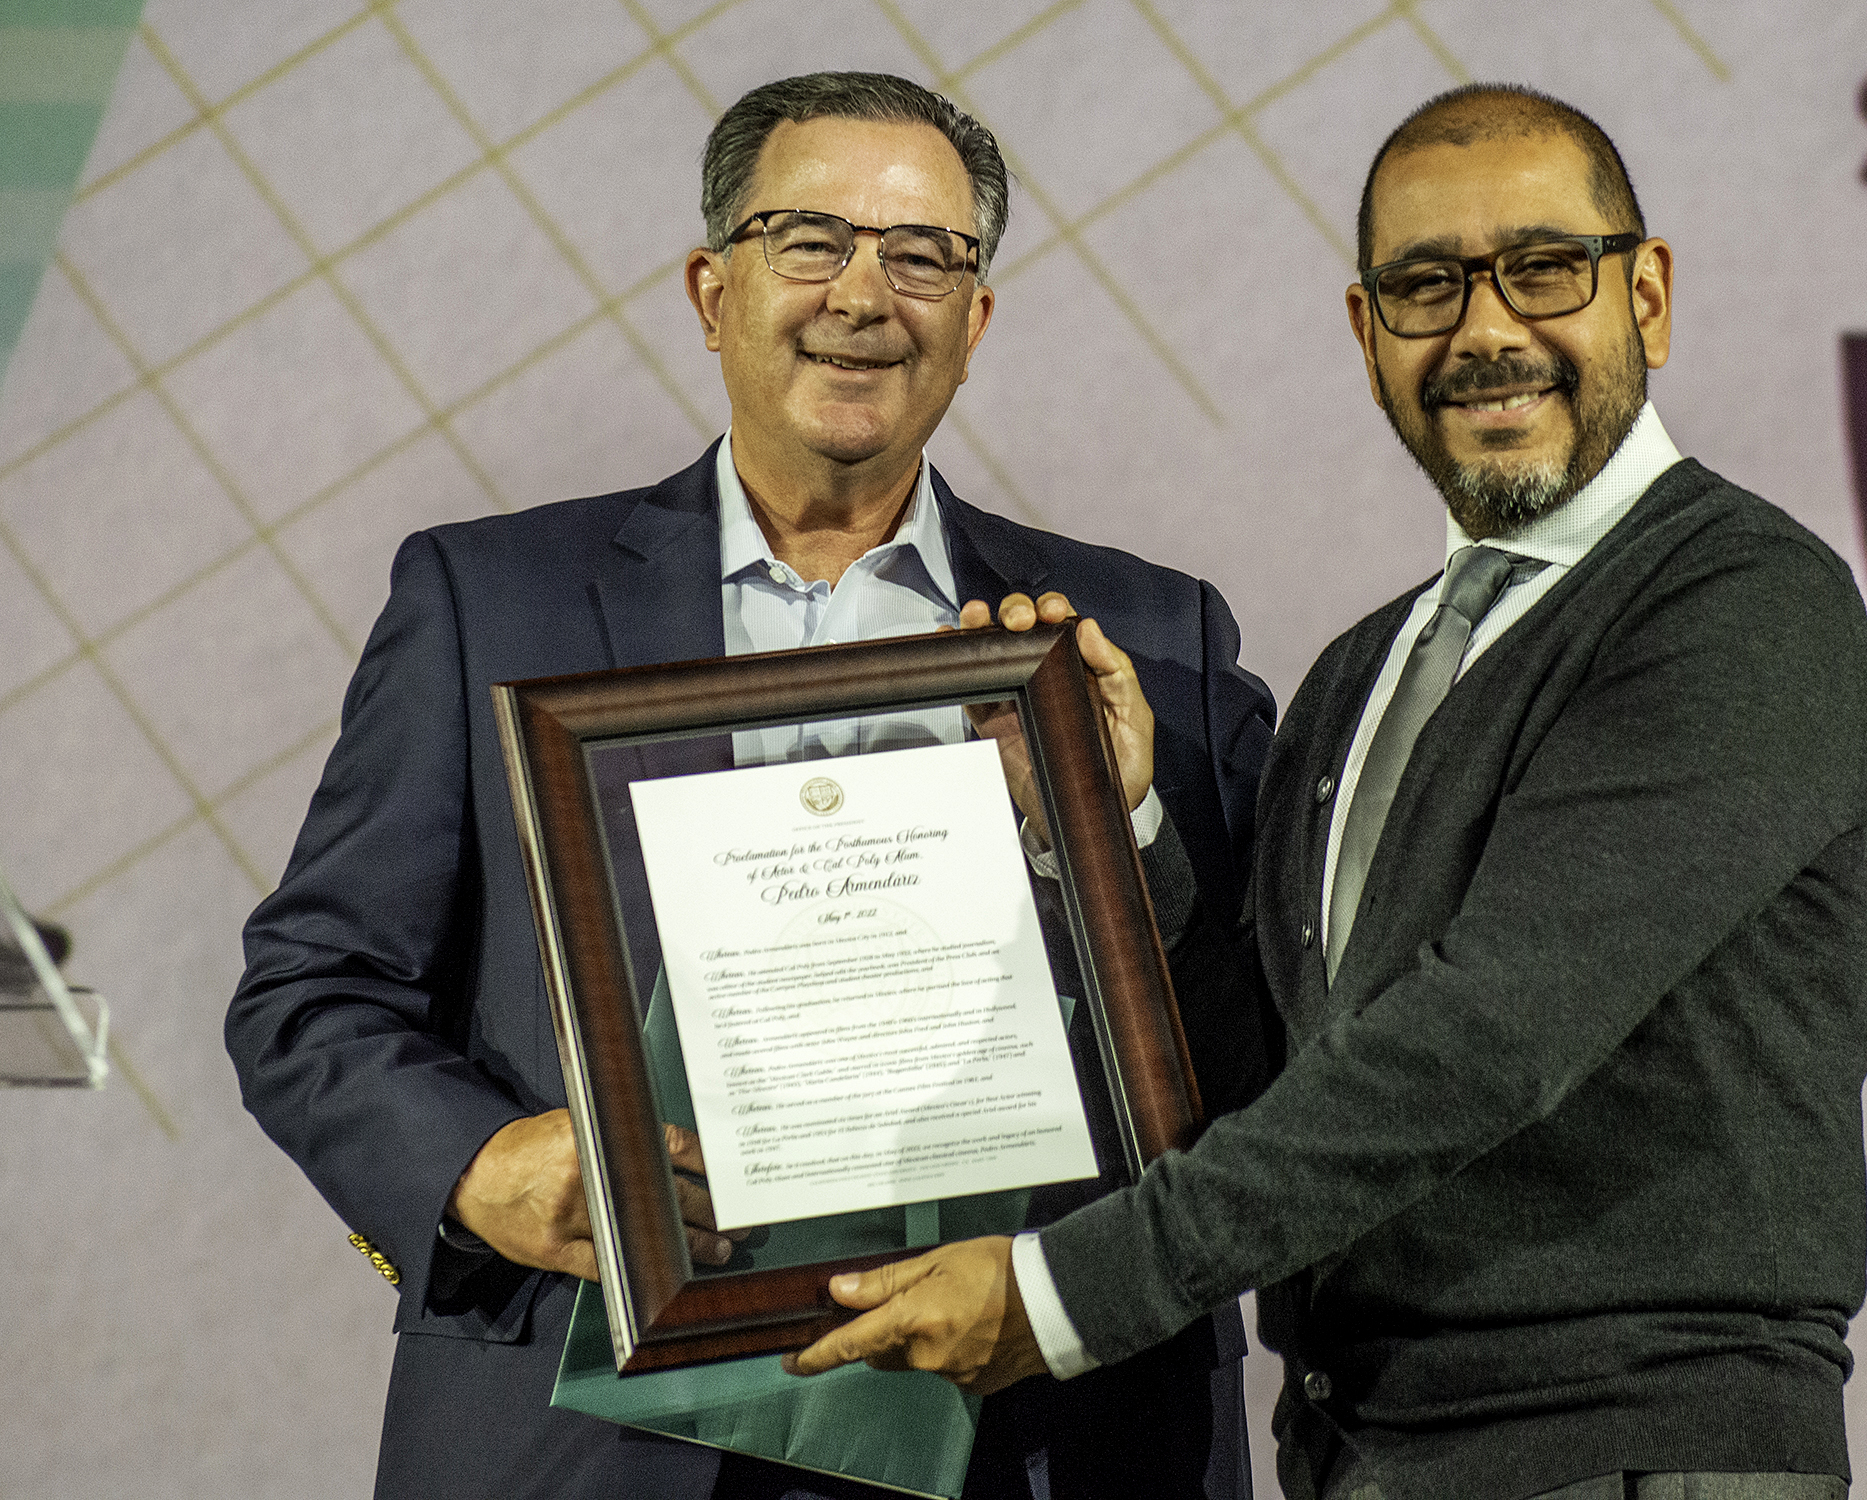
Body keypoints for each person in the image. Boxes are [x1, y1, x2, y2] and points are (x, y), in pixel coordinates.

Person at [787, 83, 1867, 1500]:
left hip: (1632, 1450)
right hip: (1359, 1451)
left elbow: (1483, 1039)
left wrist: (1060, 1294)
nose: (1489, 331)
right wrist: (1113, 824)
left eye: (1544, 269)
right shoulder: (1357, 677)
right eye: (1427, 286)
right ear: (1368, 335)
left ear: (1650, 297)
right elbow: (1277, 1076)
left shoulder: (1742, 605)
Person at [225, 72, 1275, 1500]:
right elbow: (309, 989)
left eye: (923, 256)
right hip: (585, 1438)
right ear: (711, 287)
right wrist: (479, 1170)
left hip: (1031, 1440)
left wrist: (1125, 825)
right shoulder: (490, 600)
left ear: (976, 319)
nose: (864, 293)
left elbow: (1267, 1055)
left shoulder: (1142, 641)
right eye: (809, 240)